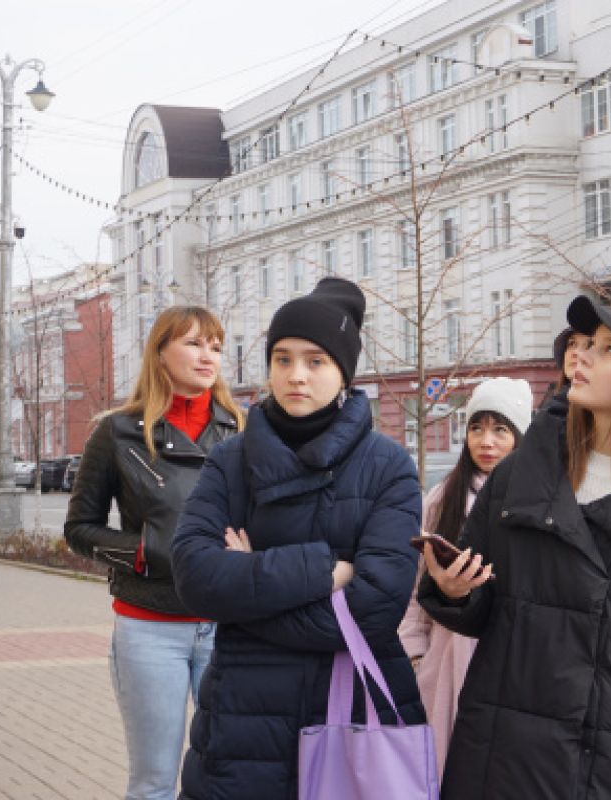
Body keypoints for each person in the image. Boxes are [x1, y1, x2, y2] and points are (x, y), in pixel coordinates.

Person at [419, 297, 611, 799]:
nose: (583, 356)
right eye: (586, 344)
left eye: (608, 349)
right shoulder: (519, 476)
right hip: (502, 760)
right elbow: (484, 608)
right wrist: (456, 592)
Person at [168, 277, 425, 800]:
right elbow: (194, 577)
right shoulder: (230, 460)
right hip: (241, 724)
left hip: (348, 711)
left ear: (344, 371)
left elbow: (375, 608)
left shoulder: (388, 467)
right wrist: (325, 570)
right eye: (282, 359)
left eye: (315, 361)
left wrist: (246, 596)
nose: (296, 376)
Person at [64, 306, 245, 800]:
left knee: (231, 775)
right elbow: (79, 528)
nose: (207, 355)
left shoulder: (243, 431)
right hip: (149, 628)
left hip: (225, 627)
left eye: (215, 346)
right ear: (160, 353)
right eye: (192, 343)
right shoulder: (117, 432)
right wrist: (145, 552)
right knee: (153, 782)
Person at [398, 376, 533, 778]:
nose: (486, 441)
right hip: (446, 657)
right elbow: (415, 584)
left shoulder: (534, 500)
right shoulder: (444, 498)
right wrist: (416, 652)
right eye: (477, 427)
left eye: (500, 429)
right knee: (445, 770)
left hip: (511, 658)